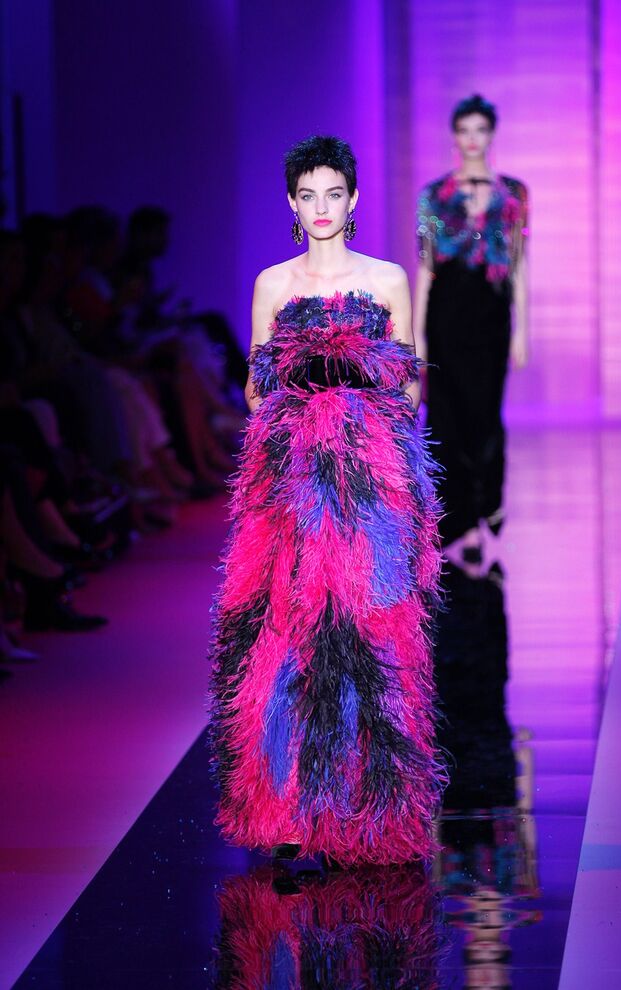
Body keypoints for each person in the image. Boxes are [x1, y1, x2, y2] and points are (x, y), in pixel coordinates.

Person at [209, 136, 446, 866]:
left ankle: (366, 811)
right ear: (291, 201)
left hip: (370, 476)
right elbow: (255, 388)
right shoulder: (273, 285)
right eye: (307, 195)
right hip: (290, 480)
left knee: (371, 630)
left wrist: (370, 440)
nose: (320, 208)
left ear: (353, 200)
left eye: (333, 194)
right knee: (288, 631)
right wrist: (298, 425)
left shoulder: (386, 280)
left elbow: (409, 382)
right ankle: (287, 807)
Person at [414, 94, 529, 562]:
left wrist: (522, 330)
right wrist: (416, 335)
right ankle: (462, 523)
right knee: (446, 418)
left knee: (485, 416)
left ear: (492, 134)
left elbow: (519, 265)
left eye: (480, 129)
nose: (472, 139)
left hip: (490, 316)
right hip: (446, 315)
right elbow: (425, 266)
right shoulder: (433, 195)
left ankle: (485, 505)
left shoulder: (513, 195)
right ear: (454, 136)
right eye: (465, 130)